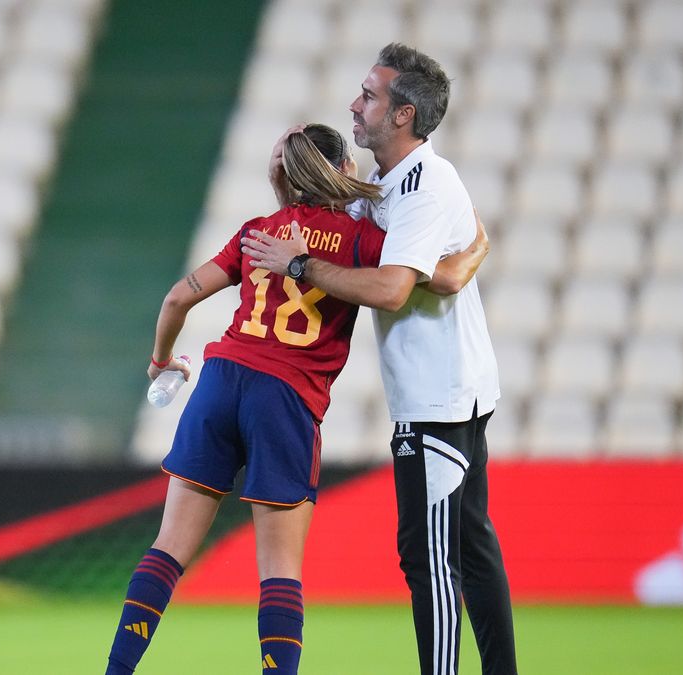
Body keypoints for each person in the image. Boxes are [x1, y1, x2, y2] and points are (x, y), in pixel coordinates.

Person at [104, 123, 488, 675]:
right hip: (284, 398)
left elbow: (176, 298)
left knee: (168, 549)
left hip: (219, 382)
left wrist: (162, 361)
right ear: (345, 172)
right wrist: (477, 248)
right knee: (279, 569)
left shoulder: (258, 232)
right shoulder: (362, 243)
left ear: (281, 175)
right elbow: (443, 279)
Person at [244, 43, 517, 675]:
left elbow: (392, 286)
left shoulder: (426, 181)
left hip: (439, 399)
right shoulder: (382, 191)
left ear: (403, 115)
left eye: (369, 95)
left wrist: (300, 265)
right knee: (467, 548)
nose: (354, 104)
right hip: (438, 394)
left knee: (430, 559)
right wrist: (457, 266)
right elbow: (441, 257)